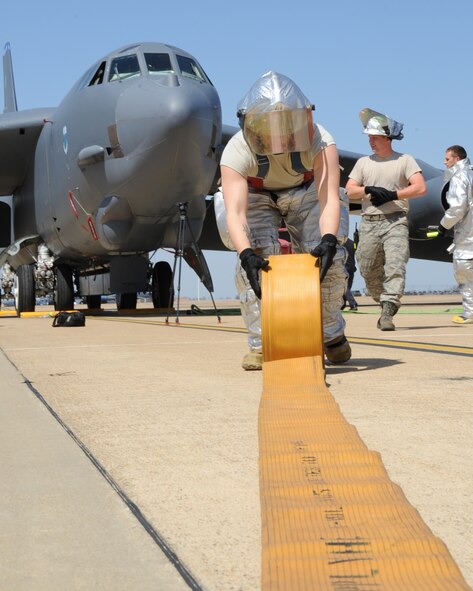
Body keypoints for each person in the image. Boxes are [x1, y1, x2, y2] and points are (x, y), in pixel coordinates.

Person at [219, 71, 350, 370]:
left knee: (328, 257)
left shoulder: (320, 140)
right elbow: (236, 213)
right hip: (256, 193)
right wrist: (246, 254)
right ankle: (262, 342)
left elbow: (328, 197)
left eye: (288, 124)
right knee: (258, 262)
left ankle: (331, 334)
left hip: (304, 190)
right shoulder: (236, 151)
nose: (280, 135)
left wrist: (328, 239)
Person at [345, 108, 427, 331]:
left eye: (375, 137)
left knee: (395, 265)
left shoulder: (405, 160)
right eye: (369, 138)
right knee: (367, 268)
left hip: (395, 220)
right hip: (369, 222)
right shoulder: (364, 163)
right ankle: (384, 301)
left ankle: (389, 310)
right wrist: (368, 189)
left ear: (387, 138)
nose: (371, 141)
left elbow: (419, 187)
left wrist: (393, 195)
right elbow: (350, 190)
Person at [436, 145, 473, 324]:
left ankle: (469, 313)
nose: (445, 162)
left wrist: (443, 225)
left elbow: (458, 207)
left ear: (457, 159)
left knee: (465, 275)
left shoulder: (459, 177)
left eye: (447, 159)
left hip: (467, 238)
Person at [341, 237, 358, 311]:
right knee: (348, 286)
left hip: (345, 267)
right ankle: (342, 304)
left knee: (344, 287)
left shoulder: (341, 244)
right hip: (352, 267)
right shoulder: (352, 243)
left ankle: (353, 304)